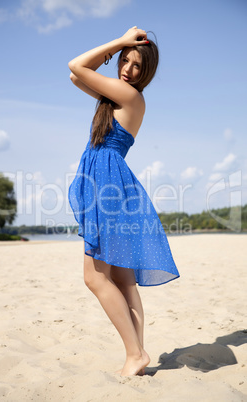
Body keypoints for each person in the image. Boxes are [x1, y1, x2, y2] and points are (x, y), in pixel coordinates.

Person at [68, 26, 180, 377]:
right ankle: (138, 354)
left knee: (95, 277)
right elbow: (76, 77)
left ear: (146, 74)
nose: (128, 69)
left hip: (108, 187)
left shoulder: (128, 96)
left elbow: (76, 64)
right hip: (110, 184)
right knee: (123, 279)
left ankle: (134, 353)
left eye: (136, 65)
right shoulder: (115, 98)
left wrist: (119, 41)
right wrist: (116, 51)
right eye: (125, 61)